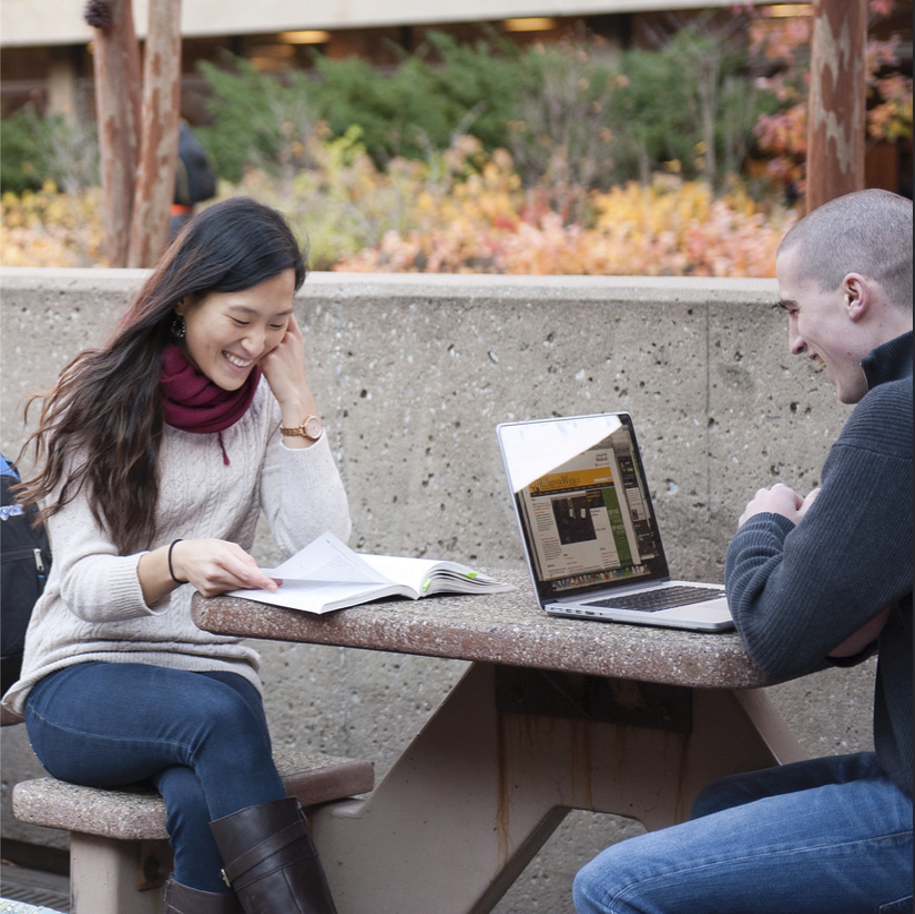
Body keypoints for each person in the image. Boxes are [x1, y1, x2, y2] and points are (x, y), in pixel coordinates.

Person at [1, 197, 352, 914]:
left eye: (278, 324)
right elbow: (86, 586)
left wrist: (297, 405)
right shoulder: (96, 404)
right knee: (221, 719)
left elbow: (324, 550)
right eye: (241, 319)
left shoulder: (262, 408)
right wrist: (175, 561)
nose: (257, 344)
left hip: (210, 688)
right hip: (81, 684)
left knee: (202, 799)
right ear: (188, 301)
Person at [573, 188, 913, 914]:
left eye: (792, 310)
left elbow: (775, 633)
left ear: (853, 294)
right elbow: (846, 622)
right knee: (722, 800)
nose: (792, 341)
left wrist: (765, 526)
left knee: (615, 886)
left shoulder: (898, 414)